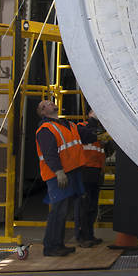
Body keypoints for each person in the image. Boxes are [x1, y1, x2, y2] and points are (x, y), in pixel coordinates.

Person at [35, 100, 97, 257]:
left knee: (64, 210)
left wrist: (93, 120)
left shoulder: (69, 125)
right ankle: (51, 247)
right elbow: (49, 153)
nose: (50, 103)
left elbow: (88, 136)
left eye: (50, 102)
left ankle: (58, 244)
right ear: (43, 112)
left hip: (73, 172)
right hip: (59, 175)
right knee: (58, 210)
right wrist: (58, 171)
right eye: (46, 104)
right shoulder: (45, 129)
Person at [74, 109, 108, 247]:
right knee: (84, 205)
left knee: (93, 205)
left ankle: (90, 235)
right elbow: (87, 135)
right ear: (89, 113)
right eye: (95, 110)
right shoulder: (82, 126)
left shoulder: (101, 131)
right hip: (84, 169)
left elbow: (106, 150)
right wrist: (101, 132)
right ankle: (82, 237)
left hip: (96, 170)